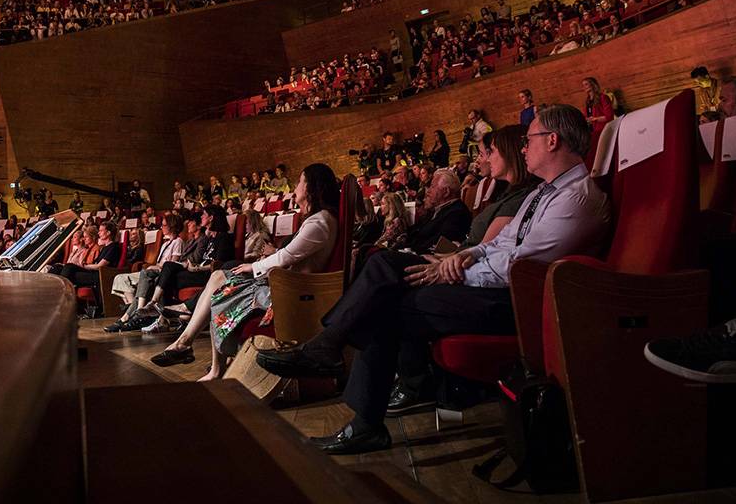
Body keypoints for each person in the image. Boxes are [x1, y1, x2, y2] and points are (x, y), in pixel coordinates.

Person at [256, 105, 611, 455]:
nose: (523, 147)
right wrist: (464, 256)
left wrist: (454, 271)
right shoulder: (541, 192)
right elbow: (502, 244)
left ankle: (346, 385)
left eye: (529, 139)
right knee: (386, 265)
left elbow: (522, 266)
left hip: (516, 301)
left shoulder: (576, 198)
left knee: (387, 304)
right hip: (493, 284)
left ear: (551, 141)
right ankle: (331, 352)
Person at [148, 164, 340, 380]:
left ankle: (198, 355)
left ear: (312, 188)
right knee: (219, 277)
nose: (295, 189)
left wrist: (253, 266)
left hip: (288, 293)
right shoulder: (318, 219)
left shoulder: (320, 222)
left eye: (300, 182)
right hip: (282, 285)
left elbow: (286, 257)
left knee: (220, 286)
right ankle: (191, 348)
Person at [582, 76, 615, 164]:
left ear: (593, 85)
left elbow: (609, 116)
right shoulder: (588, 101)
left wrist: (594, 119)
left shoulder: (603, 97)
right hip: (594, 131)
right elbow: (587, 115)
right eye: (583, 85)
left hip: (603, 130)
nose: (584, 87)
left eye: (586, 84)